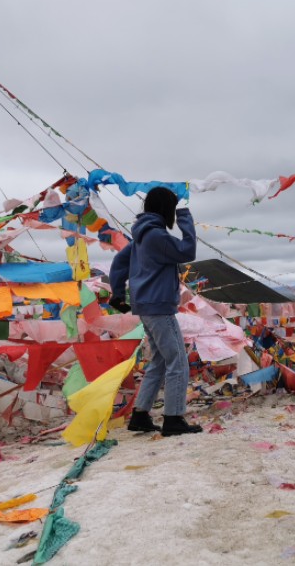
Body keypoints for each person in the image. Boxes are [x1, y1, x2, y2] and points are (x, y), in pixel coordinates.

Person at [109, 187, 203, 437]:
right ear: (166, 209)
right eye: (172, 209)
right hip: (159, 305)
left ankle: (140, 415)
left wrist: (118, 293)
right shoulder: (156, 237)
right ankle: (173, 418)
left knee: (160, 360)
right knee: (178, 361)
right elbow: (187, 251)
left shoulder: (141, 236)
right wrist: (185, 218)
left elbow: (119, 263)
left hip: (146, 306)